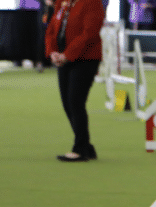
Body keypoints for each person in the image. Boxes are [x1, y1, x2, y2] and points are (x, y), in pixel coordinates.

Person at [45, 0, 104, 162]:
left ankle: (80, 149)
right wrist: (53, 53)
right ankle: (86, 146)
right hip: (63, 59)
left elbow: (90, 33)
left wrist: (67, 54)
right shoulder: (61, 3)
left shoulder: (92, 3)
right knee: (67, 103)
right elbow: (51, 29)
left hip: (86, 59)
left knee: (75, 101)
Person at [35, 0, 55, 71]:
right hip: (44, 11)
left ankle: (53, 60)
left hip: (55, 9)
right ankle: (40, 62)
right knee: (42, 37)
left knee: (55, 35)